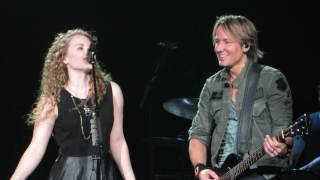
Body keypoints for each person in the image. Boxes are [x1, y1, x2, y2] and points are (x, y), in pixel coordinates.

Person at [10, 29, 136, 180]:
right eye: (80, 48)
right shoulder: (52, 99)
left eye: (90, 49)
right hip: (70, 173)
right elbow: (36, 148)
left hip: (104, 173)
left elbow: (117, 140)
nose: (87, 52)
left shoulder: (113, 91)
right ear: (64, 58)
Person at [188, 15, 294, 180]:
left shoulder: (271, 79)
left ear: (246, 45)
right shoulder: (211, 84)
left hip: (261, 174)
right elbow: (198, 134)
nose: (218, 48)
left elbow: (284, 132)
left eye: (226, 41)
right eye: (217, 41)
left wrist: (282, 146)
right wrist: (200, 169)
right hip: (221, 174)